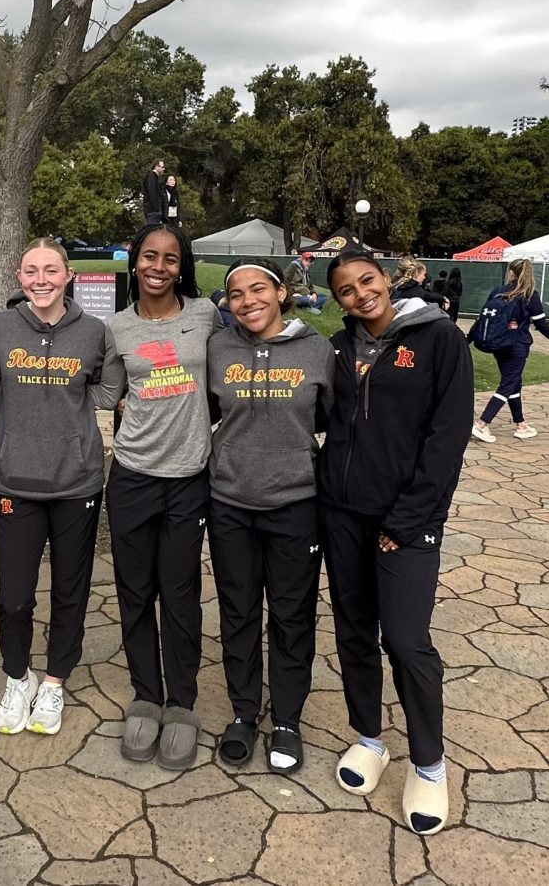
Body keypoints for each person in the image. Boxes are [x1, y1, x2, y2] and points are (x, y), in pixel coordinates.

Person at [317, 247, 472, 837]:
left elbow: (447, 436)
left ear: (388, 279)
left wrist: (408, 520)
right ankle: (368, 739)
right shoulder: (339, 348)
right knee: (353, 631)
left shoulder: (438, 340)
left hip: (406, 521)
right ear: (339, 300)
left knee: (406, 642)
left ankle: (429, 765)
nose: (360, 294)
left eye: (367, 281)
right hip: (341, 514)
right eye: (347, 290)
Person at [0, 239, 123, 736]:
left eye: (50, 270)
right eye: (30, 271)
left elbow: (108, 391)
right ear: (19, 277)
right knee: (14, 598)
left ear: (69, 275)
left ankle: (53, 681)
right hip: (15, 482)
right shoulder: (1, 327)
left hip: (76, 482)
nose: (40, 279)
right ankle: (17, 677)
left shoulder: (93, 331)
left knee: (70, 590)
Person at [206, 257, 334, 771]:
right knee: (237, 613)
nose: (247, 301)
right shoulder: (218, 348)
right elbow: (207, 410)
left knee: (291, 615)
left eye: (258, 289)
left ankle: (286, 720)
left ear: (282, 293)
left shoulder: (316, 350)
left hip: (295, 503)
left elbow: (330, 417)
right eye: (236, 294)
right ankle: (242, 713)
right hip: (231, 501)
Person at [106, 222, 221, 771]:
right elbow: (107, 389)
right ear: (135, 262)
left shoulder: (205, 316)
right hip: (131, 474)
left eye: (170, 259)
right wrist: (121, 404)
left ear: (182, 267)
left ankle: (182, 703)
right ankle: (145, 697)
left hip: (188, 477)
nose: (158, 266)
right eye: (148, 256)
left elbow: (227, 379)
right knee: (135, 591)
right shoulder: (116, 326)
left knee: (179, 594)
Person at [470, 258, 549, 443]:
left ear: (511, 272)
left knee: (514, 383)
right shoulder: (529, 295)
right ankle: (482, 423)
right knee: (508, 384)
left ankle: (521, 424)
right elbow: (541, 324)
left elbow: (483, 318)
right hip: (517, 346)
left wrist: (468, 338)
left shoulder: (498, 292)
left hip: (499, 344)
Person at [142, 159, 167, 226]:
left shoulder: (155, 178)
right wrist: (157, 209)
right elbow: (152, 193)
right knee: (153, 232)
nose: (163, 169)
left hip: (154, 211)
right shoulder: (151, 177)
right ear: (156, 166)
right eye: (162, 167)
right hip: (152, 211)